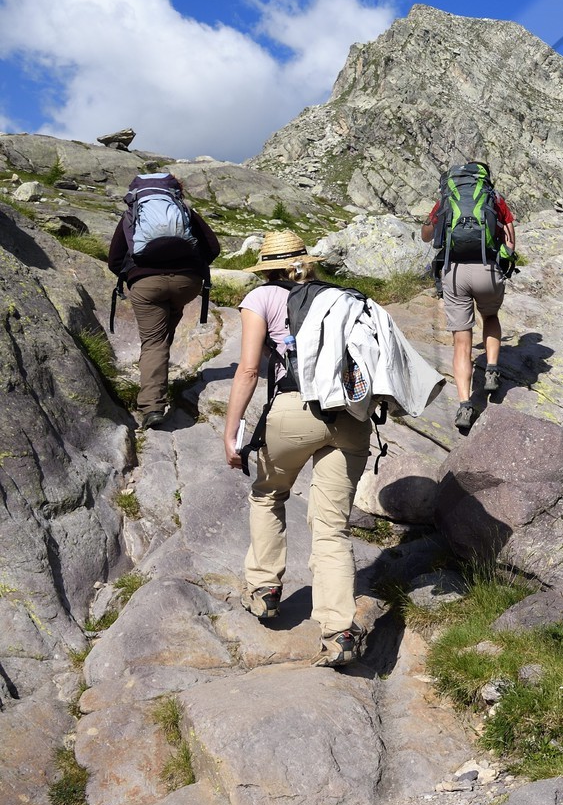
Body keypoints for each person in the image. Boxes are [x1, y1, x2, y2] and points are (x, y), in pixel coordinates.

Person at [221, 230, 368, 667]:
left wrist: (232, 434)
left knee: (268, 493)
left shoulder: (261, 297)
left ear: (265, 266)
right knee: (331, 529)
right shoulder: (339, 297)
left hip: (294, 408)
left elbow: (248, 370)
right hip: (350, 416)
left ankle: (264, 589)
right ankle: (340, 630)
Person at [106, 173, 221, 428]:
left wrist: (133, 275)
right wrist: (190, 266)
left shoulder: (131, 214)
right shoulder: (184, 211)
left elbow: (114, 259)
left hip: (146, 285)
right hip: (186, 284)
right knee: (162, 336)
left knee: (153, 342)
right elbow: (212, 247)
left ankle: (151, 407)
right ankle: (158, 383)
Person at [420, 161, 517, 434]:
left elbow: (427, 237)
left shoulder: (446, 200)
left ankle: (465, 404)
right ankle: (493, 369)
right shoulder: (494, 198)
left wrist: (432, 219)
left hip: (455, 272)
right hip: (487, 269)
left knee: (461, 342)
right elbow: (510, 238)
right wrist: (504, 258)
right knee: (490, 316)